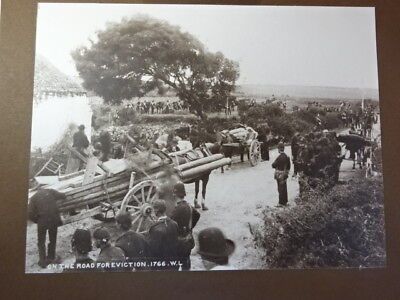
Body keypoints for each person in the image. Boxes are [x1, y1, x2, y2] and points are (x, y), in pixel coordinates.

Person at [28, 187, 65, 268]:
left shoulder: (33, 198)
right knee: (52, 239)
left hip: (42, 220)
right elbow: (63, 195)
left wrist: (37, 220)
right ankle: (51, 257)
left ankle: (43, 261)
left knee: (41, 241)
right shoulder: (51, 191)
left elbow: (29, 213)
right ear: (44, 188)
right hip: (53, 219)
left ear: (37, 190)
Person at [170, 182, 200, 270]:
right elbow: (197, 215)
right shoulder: (189, 206)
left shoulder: (177, 210)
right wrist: (190, 227)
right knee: (186, 263)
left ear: (175, 195)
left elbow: (171, 224)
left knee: (175, 264)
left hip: (179, 243)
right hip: (189, 240)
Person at [147, 199, 179, 270]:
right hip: (174, 263)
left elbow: (153, 250)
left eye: (153, 209)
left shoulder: (155, 229)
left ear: (156, 210)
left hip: (162, 266)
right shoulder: (174, 224)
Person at [272, 142, 291, 206]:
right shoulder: (287, 156)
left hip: (279, 174)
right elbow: (289, 166)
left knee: (280, 188)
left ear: (279, 149)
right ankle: (285, 201)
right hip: (285, 174)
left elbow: (273, 165)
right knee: (284, 188)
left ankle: (281, 203)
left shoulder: (279, 157)